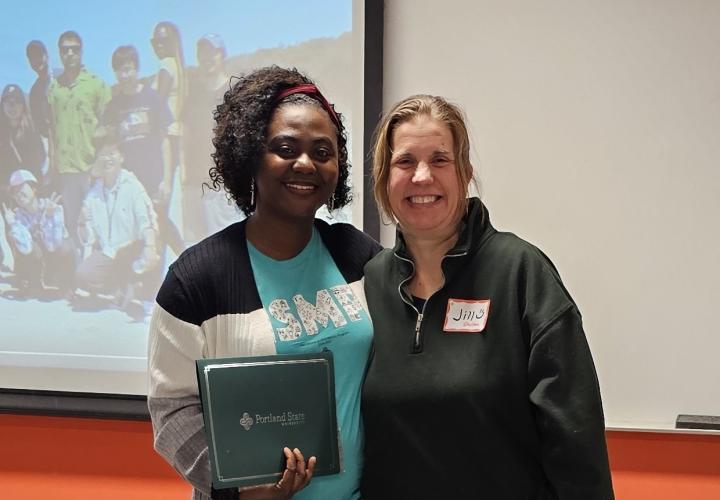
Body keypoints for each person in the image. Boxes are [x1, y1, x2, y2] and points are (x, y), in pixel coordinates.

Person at [361, 95, 615, 499]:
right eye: (405, 161)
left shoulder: (520, 271)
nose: (422, 176)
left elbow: (575, 437)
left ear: (465, 174)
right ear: (383, 178)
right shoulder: (370, 283)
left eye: (440, 160)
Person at [147, 66, 380, 500]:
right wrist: (237, 489)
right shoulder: (196, 280)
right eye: (285, 148)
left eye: (323, 151)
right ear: (250, 156)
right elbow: (172, 412)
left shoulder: (360, 258)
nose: (306, 163)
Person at [101, 45, 184, 257]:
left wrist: (166, 179)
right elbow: (109, 143)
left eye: (128, 69)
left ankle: (187, 258)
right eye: (120, 70)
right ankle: (142, 279)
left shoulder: (153, 98)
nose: (125, 75)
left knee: (159, 222)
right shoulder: (113, 106)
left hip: (153, 174)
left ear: (136, 69)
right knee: (136, 227)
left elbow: (165, 141)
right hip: (128, 179)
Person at [75, 136, 160, 314]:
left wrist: (150, 247)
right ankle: (121, 286)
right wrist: (82, 223)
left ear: (121, 157)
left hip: (132, 248)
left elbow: (148, 220)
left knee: (152, 253)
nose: (108, 159)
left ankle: (146, 298)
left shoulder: (133, 186)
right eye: (103, 155)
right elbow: (86, 235)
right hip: (110, 253)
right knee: (83, 274)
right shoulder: (93, 194)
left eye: (112, 153)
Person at [48, 30, 111, 240]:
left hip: (90, 168)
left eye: (74, 49)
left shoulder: (96, 84)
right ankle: (77, 271)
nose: (70, 53)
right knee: (72, 224)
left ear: (81, 52)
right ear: (60, 53)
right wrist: (53, 164)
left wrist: (100, 165)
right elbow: (51, 129)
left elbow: (108, 126)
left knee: (98, 224)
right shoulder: (54, 89)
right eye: (65, 50)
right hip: (66, 170)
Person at [181, 33, 242, 243]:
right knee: (194, 244)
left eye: (212, 52)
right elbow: (186, 135)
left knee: (224, 243)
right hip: (193, 183)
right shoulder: (193, 95)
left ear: (221, 55)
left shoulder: (234, 92)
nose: (207, 58)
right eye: (202, 53)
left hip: (221, 182)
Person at [2, 169, 74, 297]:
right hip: (38, 257)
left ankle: (65, 284)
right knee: (15, 236)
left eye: (21, 188)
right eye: (14, 192)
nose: (18, 194)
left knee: (65, 247)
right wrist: (13, 224)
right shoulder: (18, 216)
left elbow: (53, 245)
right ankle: (34, 282)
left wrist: (49, 217)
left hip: (54, 255)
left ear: (34, 188)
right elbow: (26, 249)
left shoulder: (53, 206)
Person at [150, 21, 185, 203]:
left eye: (164, 40)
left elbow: (157, 102)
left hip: (166, 136)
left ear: (173, 42)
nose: (160, 45)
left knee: (164, 193)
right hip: (175, 134)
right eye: (156, 41)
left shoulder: (166, 65)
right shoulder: (178, 65)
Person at [0, 84, 47, 190]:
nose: (12, 107)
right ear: (2, 106)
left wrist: (27, 183)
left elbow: (40, 159)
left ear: (23, 106)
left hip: (29, 187)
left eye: (17, 102)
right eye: (8, 103)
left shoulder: (32, 129)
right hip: (6, 188)